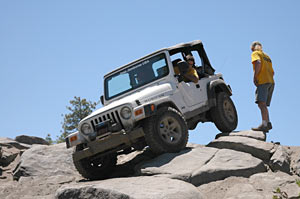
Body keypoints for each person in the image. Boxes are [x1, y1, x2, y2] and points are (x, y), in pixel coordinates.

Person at [250, 41, 275, 132]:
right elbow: (273, 72)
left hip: (263, 81)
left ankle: (264, 124)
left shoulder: (255, 53)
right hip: (271, 82)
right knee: (263, 104)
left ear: (253, 48)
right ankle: (267, 123)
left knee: (261, 104)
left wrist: (255, 76)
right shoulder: (267, 57)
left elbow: (258, 63)